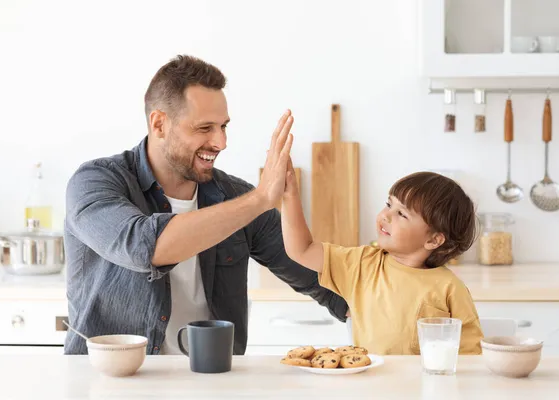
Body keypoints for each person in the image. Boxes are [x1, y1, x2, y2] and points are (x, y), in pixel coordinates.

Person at [63, 55, 348, 355]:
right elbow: (145, 247)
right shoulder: (94, 182)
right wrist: (262, 199)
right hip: (111, 382)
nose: (221, 142)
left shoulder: (236, 196)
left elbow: (319, 278)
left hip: (211, 380)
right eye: (204, 128)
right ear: (159, 124)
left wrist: (386, 288)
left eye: (223, 126)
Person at [281, 169, 483, 355]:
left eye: (401, 214)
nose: (385, 215)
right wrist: (289, 194)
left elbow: (471, 357)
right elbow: (302, 249)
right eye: (389, 204)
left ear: (433, 240)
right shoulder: (362, 263)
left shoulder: (450, 289)